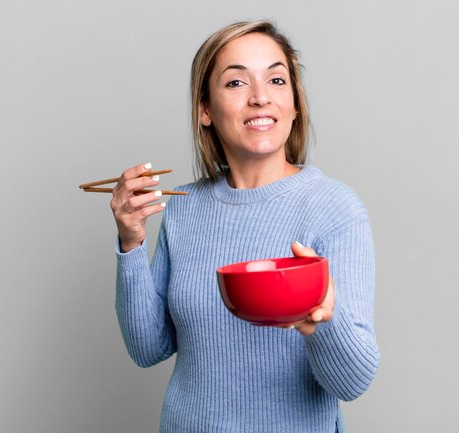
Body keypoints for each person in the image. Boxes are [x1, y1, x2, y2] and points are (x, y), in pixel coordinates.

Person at [110, 20, 380, 433]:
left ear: (294, 104)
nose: (260, 98)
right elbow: (148, 348)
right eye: (236, 83)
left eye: (276, 79)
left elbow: (353, 381)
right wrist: (131, 243)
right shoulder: (185, 207)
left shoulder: (333, 208)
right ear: (205, 109)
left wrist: (324, 320)